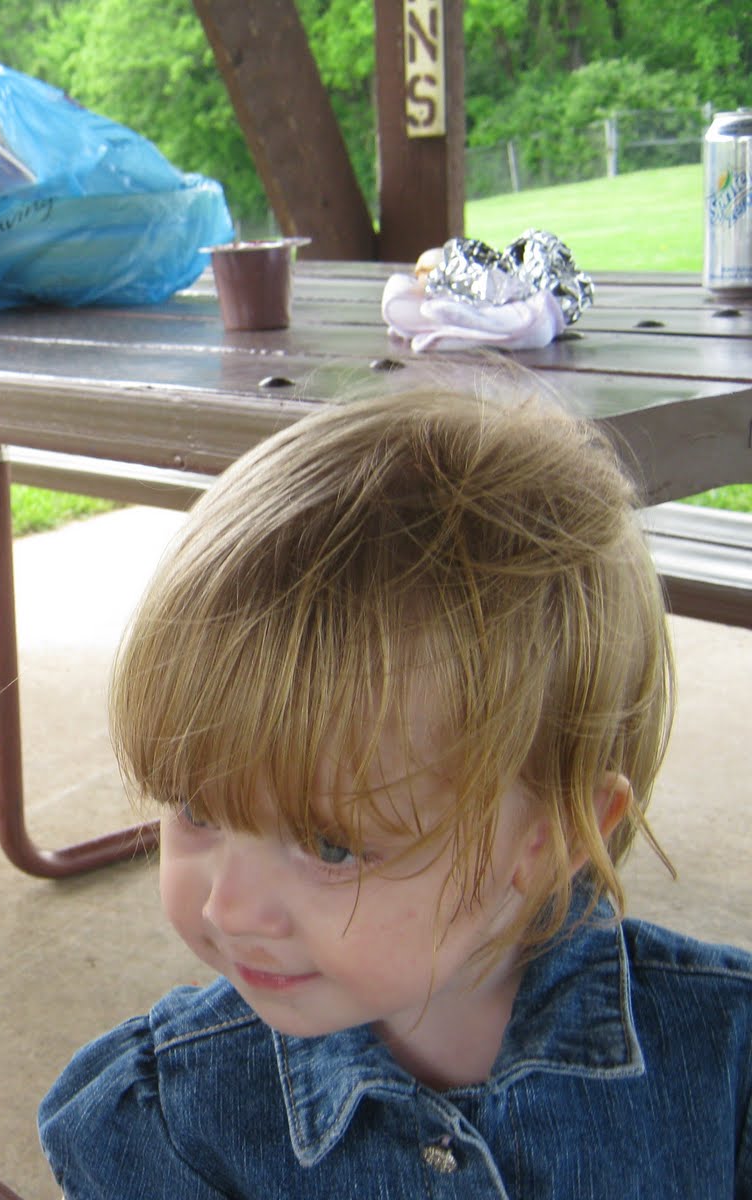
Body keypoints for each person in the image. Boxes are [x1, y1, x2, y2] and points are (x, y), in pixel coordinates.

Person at [38, 382, 752, 1197]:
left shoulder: (724, 1067)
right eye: (198, 810)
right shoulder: (169, 1125)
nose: (228, 909)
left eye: (330, 845)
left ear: (548, 837)